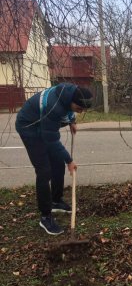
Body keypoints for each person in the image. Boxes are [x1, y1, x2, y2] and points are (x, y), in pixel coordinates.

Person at [15, 83, 93, 235]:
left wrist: (72, 121)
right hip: (29, 127)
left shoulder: (71, 93)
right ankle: (45, 217)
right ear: (72, 101)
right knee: (44, 171)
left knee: (57, 163)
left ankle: (56, 200)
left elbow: (69, 111)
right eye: (79, 109)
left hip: (43, 124)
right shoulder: (53, 107)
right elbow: (51, 140)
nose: (80, 112)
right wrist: (69, 160)